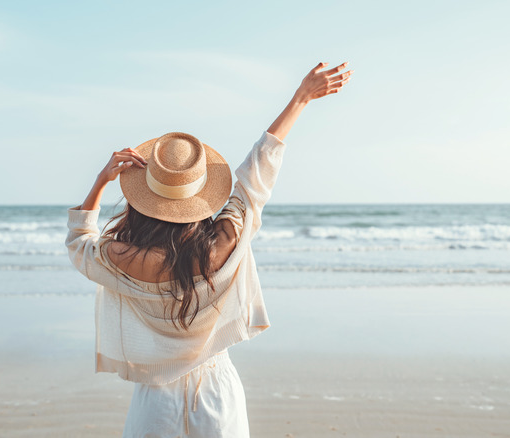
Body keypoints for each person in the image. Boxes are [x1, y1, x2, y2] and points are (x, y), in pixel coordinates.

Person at [65, 61, 353, 437]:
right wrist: (301, 98)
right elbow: (257, 174)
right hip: (217, 394)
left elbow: (79, 243)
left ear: (141, 199)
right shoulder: (223, 245)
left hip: (155, 402)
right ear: (199, 198)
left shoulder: (122, 259)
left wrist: (102, 181)